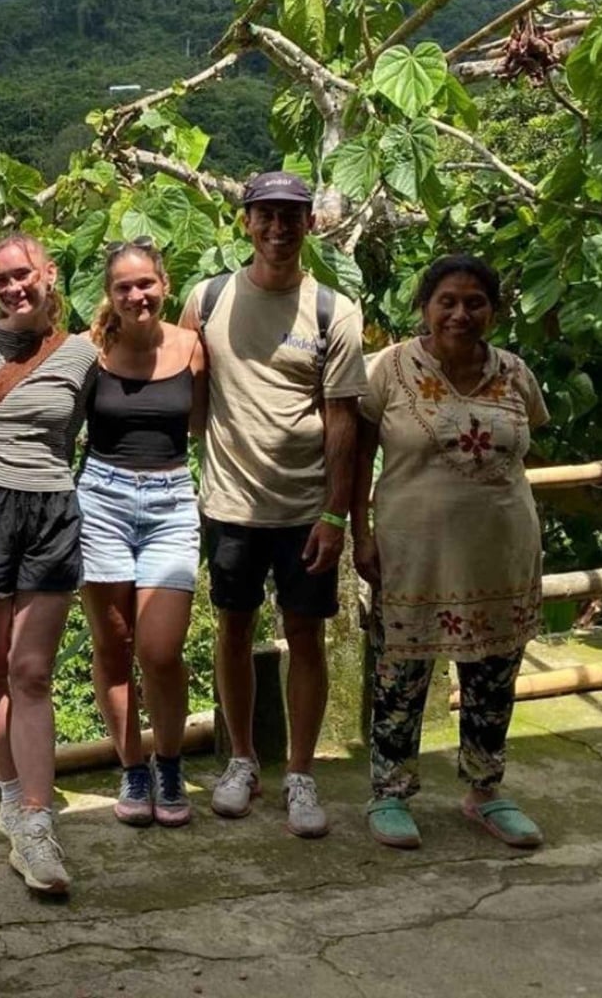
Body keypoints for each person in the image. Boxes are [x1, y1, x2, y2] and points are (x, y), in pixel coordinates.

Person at [179, 171, 367, 838]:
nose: (279, 230)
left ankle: (302, 771)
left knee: (306, 636)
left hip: (304, 511)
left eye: (292, 217)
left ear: (310, 224)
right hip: (228, 503)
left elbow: (343, 422)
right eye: (267, 216)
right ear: (247, 222)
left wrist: (336, 514)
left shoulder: (334, 312)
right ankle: (240, 759)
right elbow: (189, 398)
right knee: (233, 629)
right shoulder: (205, 300)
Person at [352, 254, 548, 851]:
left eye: (475, 302)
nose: (461, 313)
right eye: (448, 301)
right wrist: (357, 530)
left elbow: (523, 453)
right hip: (412, 554)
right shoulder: (387, 370)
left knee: (493, 677)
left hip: (501, 554)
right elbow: (357, 455)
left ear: (494, 310)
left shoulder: (515, 374)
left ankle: (485, 790)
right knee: (400, 675)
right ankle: (389, 792)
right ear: (425, 307)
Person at [0, 233, 98, 894]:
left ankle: (37, 822)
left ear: (49, 273)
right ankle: (10, 792)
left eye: (24, 275)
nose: (15, 288)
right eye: (2, 278)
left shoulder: (84, 352)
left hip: (51, 510)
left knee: (30, 668)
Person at [79, 238, 207, 829]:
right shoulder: (90, 352)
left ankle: (170, 760)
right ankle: (133, 766)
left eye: (145, 284)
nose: (136, 295)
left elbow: (204, 424)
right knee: (113, 645)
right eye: (123, 287)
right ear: (110, 295)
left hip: (171, 498)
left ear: (165, 283)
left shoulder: (190, 348)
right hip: (100, 497)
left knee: (160, 650)